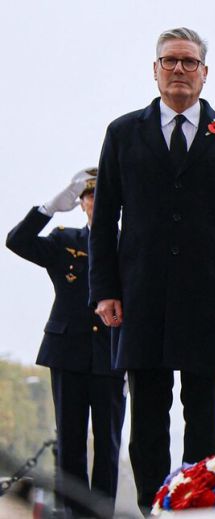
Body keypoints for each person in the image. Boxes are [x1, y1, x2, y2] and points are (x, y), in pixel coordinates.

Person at [88, 28, 215, 510]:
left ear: (205, 73)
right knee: (147, 415)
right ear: (155, 70)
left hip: (210, 296)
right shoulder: (123, 133)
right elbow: (104, 220)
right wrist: (104, 290)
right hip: (140, 294)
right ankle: (153, 507)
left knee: (204, 415)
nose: (179, 70)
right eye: (170, 61)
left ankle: (198, 506)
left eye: (189, 62)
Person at [6, 168, 125, 518]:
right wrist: (48, 208)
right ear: (81, 203)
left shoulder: (132, 245)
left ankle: (101, 513)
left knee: (108, 442)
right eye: (89, 196)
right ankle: (70, 513)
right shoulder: (65, 240)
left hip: (111, 352)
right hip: (67, 349)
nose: (96, 203)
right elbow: (17, 241)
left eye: (103, 197)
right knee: (69, 440)